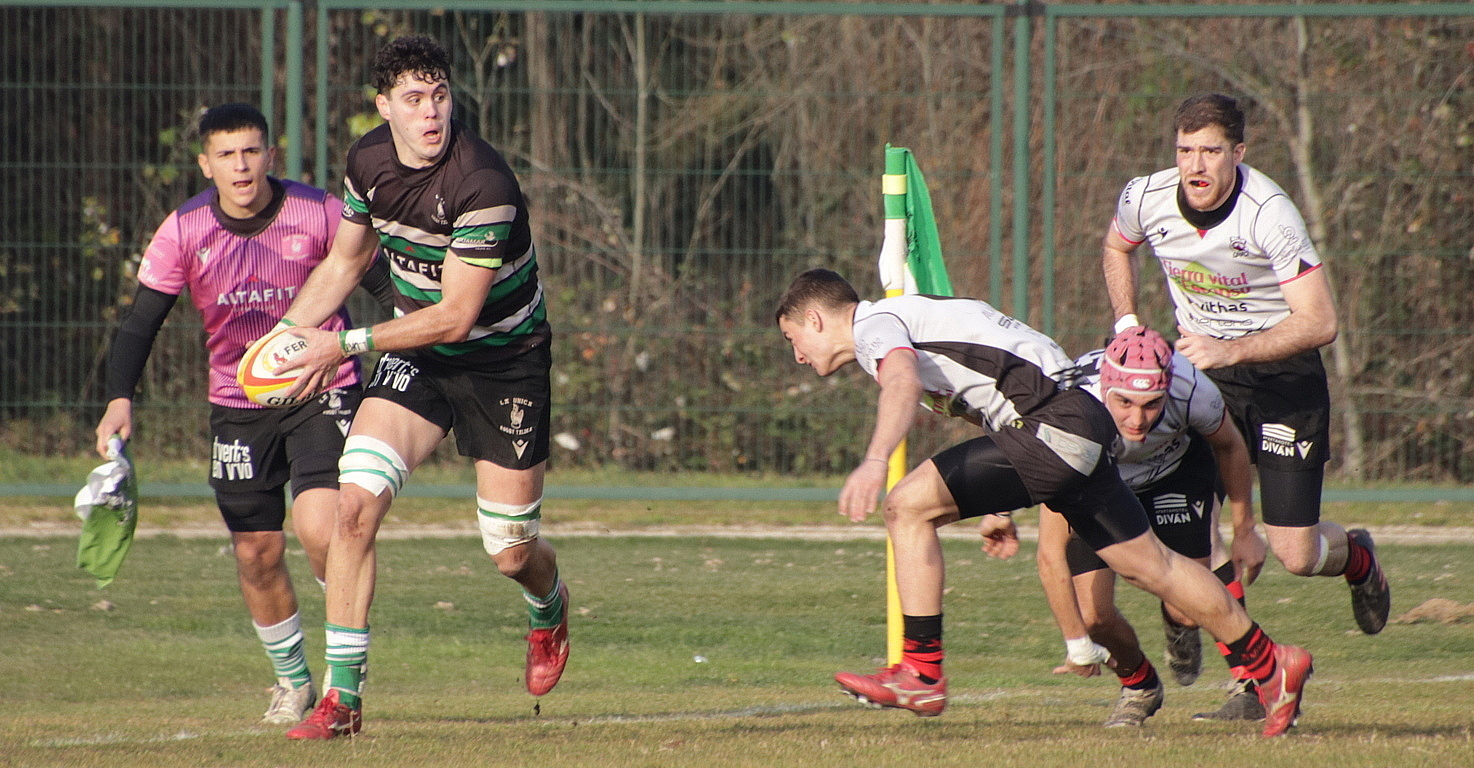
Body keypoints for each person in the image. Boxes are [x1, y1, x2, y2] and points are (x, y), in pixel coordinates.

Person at [775, 268, 1311, 738]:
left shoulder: (874, 325)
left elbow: (900, 379)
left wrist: (874, 460)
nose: (796, 355)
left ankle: (921, 671)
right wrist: (1000, 503)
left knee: (905, 506)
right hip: (1079, 423)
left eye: (792, 337)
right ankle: (1272, 663)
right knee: (1156, 567)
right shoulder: (910, 319)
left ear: (817, 319)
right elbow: (988, 401)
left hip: (1054, 427)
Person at [267, 36, 569, 740]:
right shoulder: (367, 162)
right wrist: (285, 340)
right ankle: (342, 699)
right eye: (413, 99)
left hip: (504, 360)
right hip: (421, 359)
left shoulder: (483, 183)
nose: (431, 113)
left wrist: (340, 344)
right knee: (353, 506)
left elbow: (457, 316)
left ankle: (548, 605)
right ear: (384, 108)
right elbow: (344, 263)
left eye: (439, 97)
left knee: (510, 552)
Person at [92, 103, 382, 726]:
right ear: (206, 165)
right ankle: (293, 683)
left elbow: (380, 281)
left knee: (321, 528)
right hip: (237, 405)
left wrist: (404, 344)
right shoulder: (184, 229)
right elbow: (143, 321)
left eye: (251, 151)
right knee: (255, 551)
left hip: (322, 387)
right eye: (226, 154)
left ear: (270, 156)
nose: (241, 165)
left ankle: (344, 670)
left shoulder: (320, 211)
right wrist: (120, 397)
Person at [1100, 94, 1391, 667]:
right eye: (1185, 150)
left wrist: (1229, 348)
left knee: (1296, 554)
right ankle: (1245, 673)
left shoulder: (1267, 213)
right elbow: (1116, 245)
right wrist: (1128, 322)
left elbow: (1321, 321)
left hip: (1282, 377)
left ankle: (1357, 557)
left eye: (1210, 151)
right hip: (1203, 376)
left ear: (1238, 152)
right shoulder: (1146, 196)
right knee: (1192, 531)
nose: (1196, 166)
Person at [1034, 326, 1269, 727]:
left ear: (1167, 388)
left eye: (1151, 404)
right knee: (1094, 616)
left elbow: (1230, 446)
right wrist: (1076, 642)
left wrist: (1244, 528)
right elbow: (1049, 552)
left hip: (1175, 474)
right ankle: (1140, 685)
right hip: (1098, 484)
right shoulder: (1071, 409)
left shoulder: (1193, 389)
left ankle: (1245, 677)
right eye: (1124, 402)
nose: (1137, 419)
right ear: (1105, 387)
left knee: (1189, 609)